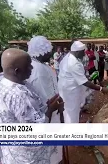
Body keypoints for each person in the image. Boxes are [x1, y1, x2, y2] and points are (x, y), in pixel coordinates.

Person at [0, 48, 64, 164]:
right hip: (25, 155)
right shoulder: (19, 96)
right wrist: (50, 110)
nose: (32, 68)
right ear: (16, 71)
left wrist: (46, 107)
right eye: (28, 66)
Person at [26, 36, 63, 164]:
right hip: (48, 114)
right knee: (52, 151)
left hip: (52, 111)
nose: (50, 53)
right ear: (41, 51)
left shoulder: (40, 65)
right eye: (48, 50)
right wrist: (58, 104)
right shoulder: (38, 70)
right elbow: (46, 98)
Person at [58, 41, 108, 123]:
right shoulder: (73, 63)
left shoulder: (67, 57)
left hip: (66, 90)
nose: (84, 54)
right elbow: (85, 82)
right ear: (77, 52)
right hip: (71, 93)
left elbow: (75, 76)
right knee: (72, 115)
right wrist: (102, 88)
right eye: (82, 52)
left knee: (69, 113)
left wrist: (87, 77)